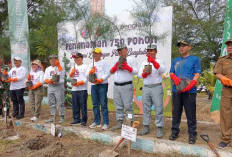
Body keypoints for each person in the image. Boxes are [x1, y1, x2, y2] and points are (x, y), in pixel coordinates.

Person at [169, 39, 201, 144]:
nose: (181, 47)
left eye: (184, 45)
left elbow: (197, 73)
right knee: (176, 112)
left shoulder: (195, 59)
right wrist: (174, 78)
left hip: (189, 91)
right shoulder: (175, 60)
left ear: (189, 47)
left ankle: (192, 134)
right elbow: (171, 73)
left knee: (190, 113)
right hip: (176, 90)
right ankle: (174, 132)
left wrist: (192, 84)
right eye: (179, 46)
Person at [137, 44, 166, 138]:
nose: (149, 52)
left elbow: (162, 70)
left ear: (156, 52)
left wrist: (153, 61)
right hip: (146, 87)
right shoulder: (143, 63)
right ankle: (146, 127)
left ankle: (159, 127)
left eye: (151, 50)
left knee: (158, 108)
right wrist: (144, 74)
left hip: (156, 87)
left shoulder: (160, 61)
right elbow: (139, 75)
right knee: (146, 108)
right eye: (148, 50)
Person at [110, 44, 138, 131]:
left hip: (126, 85)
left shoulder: (131, 59)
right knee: (118, 106)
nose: (119, 51)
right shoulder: (115, 59)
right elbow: (110, 71)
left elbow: (136, 71)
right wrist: (115, 67)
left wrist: (127, 67)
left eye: (121, 50)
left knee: (128, 106)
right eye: (118, 50)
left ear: (126, 50)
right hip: (117, 85)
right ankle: (119, 122)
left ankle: (129, 122)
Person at [213, 38, 232, 149]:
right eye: (228, 45)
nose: (229, 46)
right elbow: (217, 73)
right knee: (226, 115)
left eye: (231, 45)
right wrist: (223, 78)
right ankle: (225, 139)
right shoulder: (222, 60)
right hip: (227, 90)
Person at [88, 48, 110, 130]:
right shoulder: (91, 64)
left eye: (97, 53)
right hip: (94, 85)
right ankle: (97, 122)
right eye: (94, 54)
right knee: (95, 104)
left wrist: (101, 79)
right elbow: (87, 76)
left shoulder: (104, 63)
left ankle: (105, 123)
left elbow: (108, 73)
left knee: (103, 104)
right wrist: (90, 72)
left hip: (102, 85)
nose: (95, 55)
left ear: (100, 54)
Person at [44, 54, 65, 124]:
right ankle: (53, 117)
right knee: (51, 102)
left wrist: (58, 65)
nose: (52, 60)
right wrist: (48, 81)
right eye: (51, 59)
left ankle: (62, 117)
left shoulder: (60, 67)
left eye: (54, 59)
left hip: (59, 85)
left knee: (60, 102)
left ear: (56, 60)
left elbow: (62, 73)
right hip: (50, 86)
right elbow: (45, 78)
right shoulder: (48, 68)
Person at [69, 52, 88, 126]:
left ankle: (83, 120)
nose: (75, 59)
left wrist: (80, 83)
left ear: (81, 58)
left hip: (82, 89)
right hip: (74, 89)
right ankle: (76, 119)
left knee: (83, 105)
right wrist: (71, 74)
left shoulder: (85, 66)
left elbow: (87, 78)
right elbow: (69, 77)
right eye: (74, 58)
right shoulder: (73, 67)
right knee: (75, 105)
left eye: (77, 58)